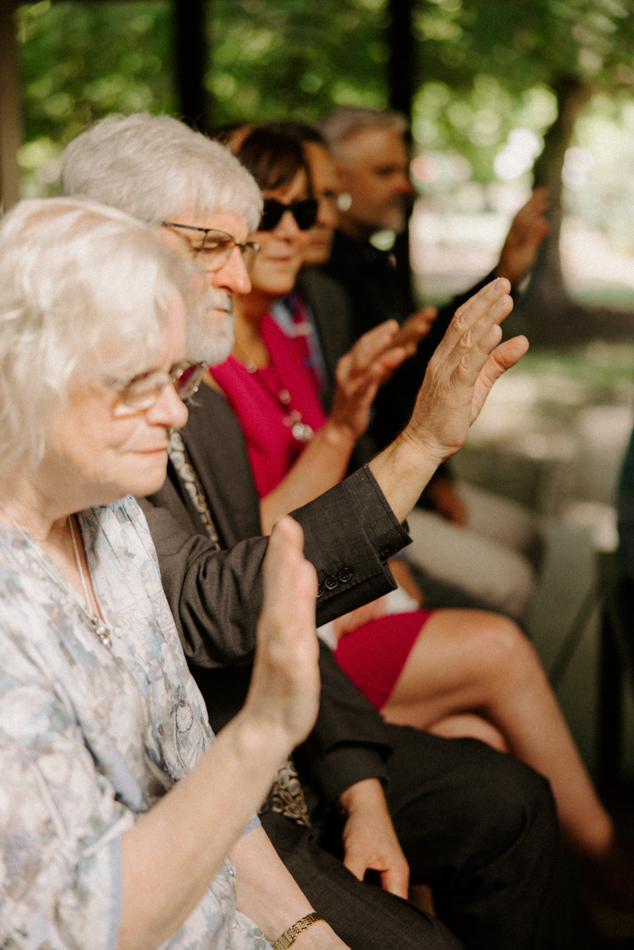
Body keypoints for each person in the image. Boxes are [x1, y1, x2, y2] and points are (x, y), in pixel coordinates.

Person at [60, 112, 591, 950]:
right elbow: (215, 601)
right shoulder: (82, 419)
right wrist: (417, 445)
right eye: (214, 247)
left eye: (253, 241)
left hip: (283, 751)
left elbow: (272, 605)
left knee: (509, 798)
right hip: (208, 796)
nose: (241, 277)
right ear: (109, 244)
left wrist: (358, 779)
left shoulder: (201, 401)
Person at [207, 124, 633, 903]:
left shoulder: (283, 327)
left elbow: (325, 483)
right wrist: (359, 432)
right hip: (294, 627)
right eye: (274, 213)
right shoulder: (208, 363)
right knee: (500, 646)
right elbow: (247, 548)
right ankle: (610, 871)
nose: (299, 231)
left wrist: (352, 426)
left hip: (330, 591)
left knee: (485, 746)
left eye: (312, 212)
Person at [0, 195, 358, 950]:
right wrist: (263, 730)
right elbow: (87, 927)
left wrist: (305, 933)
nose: (176, 413)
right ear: (25, 371)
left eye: (178, 375)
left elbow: (192, 768)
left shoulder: (114, 517)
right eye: (138, 383)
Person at [318, 106, 550, 618]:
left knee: (526, 536)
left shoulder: (371, 261)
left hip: (405, 469)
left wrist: (502, 274)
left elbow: (412, 364)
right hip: (366, 482)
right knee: (507, 582)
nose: (405, 185)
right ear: (335, 177)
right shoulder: (321, 278)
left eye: (404, 170)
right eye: (386, 172)